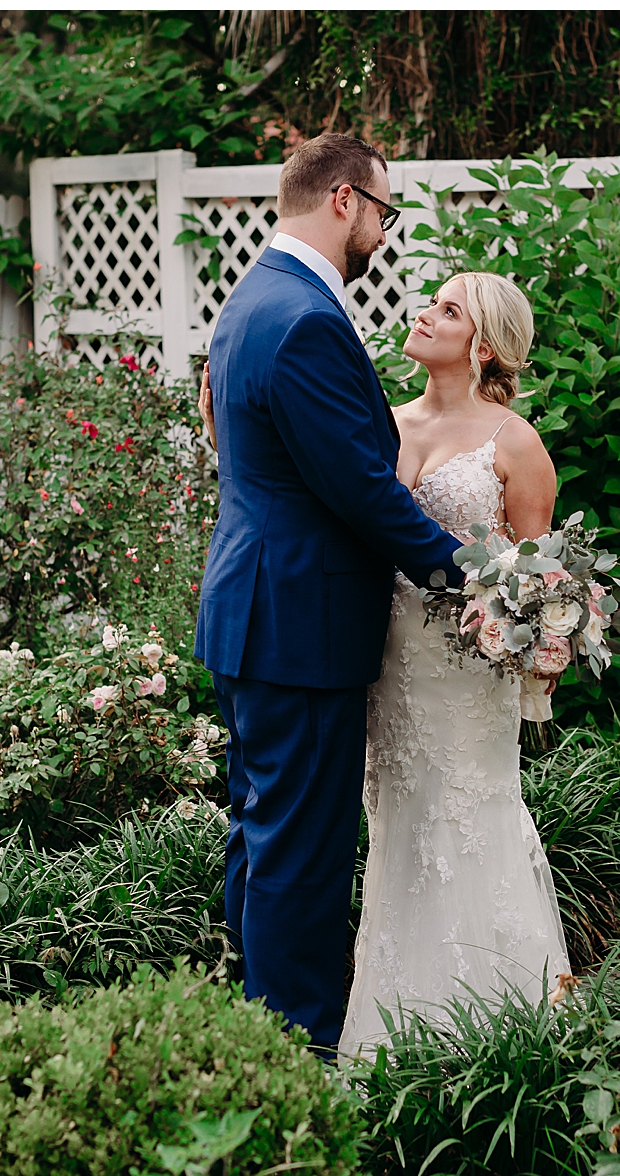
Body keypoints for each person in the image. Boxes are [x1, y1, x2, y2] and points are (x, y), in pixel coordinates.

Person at [199, 261, 572, 1058]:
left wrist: (531, 628)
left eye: (450, 311)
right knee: (394, 828)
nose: (427, 315)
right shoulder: (384, 421)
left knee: (464, 818)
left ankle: (493, 1025)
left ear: (486, 347)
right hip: (381, 653)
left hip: (464, 671)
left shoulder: (517, 443)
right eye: (431, 302)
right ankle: (387, 1023)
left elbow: (535, 575)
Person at [194, 133, 464, 1055]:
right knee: (301, 857)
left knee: (264, 833)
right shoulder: (306, 316)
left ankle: (248, 1027)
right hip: (298, 623)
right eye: (384, 211)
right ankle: (296, 1050)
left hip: (256, 612)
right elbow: (356, 484)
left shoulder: (252, 301)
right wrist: (467, 576)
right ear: (345, 200)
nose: (383, 231)